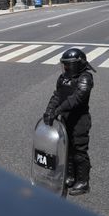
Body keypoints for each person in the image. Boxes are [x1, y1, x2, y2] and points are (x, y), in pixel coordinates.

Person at [43, 48, 95, 196]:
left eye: (69, 65)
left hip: (79, 120)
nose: (66, 68)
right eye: (64, 65)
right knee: (68, 149)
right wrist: (49, 111)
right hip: (65, 118)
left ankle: (83, 182)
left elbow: (77, 98)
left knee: (79, 151)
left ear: (79, 64)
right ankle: (70, 176)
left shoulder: (85, 78)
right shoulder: (63, 77)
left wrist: (58, 110)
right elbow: (57, 95)